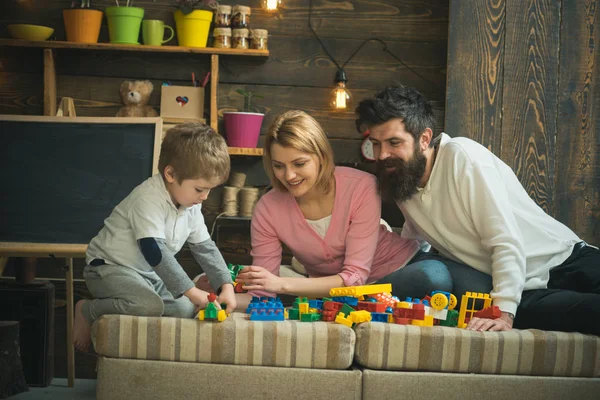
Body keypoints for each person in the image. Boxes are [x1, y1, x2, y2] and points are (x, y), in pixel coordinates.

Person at [355, 84, 600, 334]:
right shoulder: (401, 176)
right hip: (524, 291)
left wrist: (504, 314)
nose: (383, 155)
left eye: (394, 142)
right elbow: (415, 235)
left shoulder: (462, 157)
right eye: (376, 143)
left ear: (424, 139)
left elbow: (504, 239)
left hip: (565, 261)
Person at [233, 110, 462, 308]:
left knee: (435, 275)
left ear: (321, 157)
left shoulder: (360, 186)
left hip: (401, 271)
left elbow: (354, 278)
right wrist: (220, 299)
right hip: (339, 292)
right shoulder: (268, 208)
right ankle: (346, 303)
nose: (289, 176)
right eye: (278, 166)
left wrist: (283, 284)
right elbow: (263, 293)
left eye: (299, 164)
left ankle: (344, 302)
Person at [73, 123, 236, 352]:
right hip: (109, 268)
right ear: (170, 174)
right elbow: (153, 250)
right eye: (199, 189)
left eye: (210, 189)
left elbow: (205, 248)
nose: (205, 197)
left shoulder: (191, 205)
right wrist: (191, 290)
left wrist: (225, 285)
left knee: (184, 309)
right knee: (146, 305)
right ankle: (87, 309)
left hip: (148, 275)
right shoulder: (148, 198)